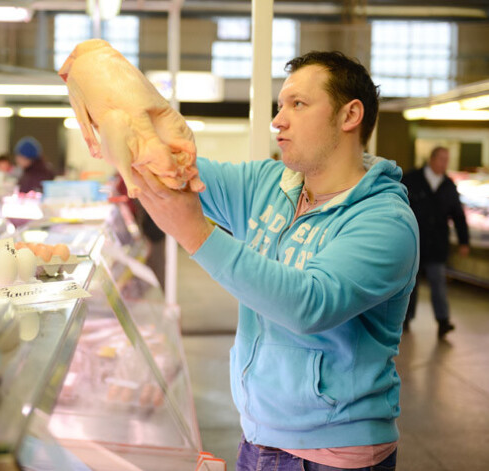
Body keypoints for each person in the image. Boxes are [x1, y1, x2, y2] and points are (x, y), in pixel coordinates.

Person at [131, 51, 418, 471]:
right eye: (280, 105)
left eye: (298, 105)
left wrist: (196, 234)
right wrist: (119, 102)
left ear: (349, 115)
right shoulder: (268, 185)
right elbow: (170, 169)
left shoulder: (385, 220)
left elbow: (309, 305)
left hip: (334, 455)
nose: (278, 120)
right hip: (258, 438)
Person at [402, 146, 470, 339]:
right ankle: (406, 318)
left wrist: (464, 240)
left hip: (437, 245)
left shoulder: (448, 185)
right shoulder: (412, 179)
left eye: (447, 160)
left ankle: (443, 321)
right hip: (414, 243)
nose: (444, 164)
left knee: (438, 282)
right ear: (431, 159)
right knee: (411, 284)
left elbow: (458, 215)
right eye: (441, 159)